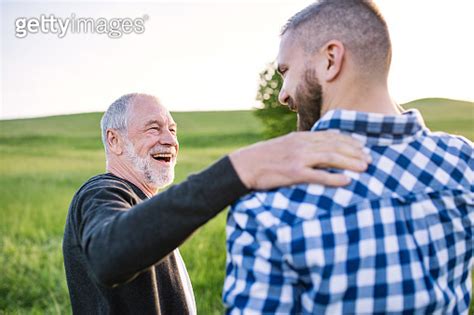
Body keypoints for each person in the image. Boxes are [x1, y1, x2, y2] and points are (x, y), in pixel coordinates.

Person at [223, 1, 473, 314]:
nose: (282, 94)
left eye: (286, 71)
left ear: (331, 59)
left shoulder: (267, 206)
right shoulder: (462, 162)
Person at [62, 93, 370, 314]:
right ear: (113, 140)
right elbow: (108, 255)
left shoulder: (141, 203)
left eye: (172, 129)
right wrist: (239, 169)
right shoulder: (101, 191)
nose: (169, 139)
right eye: (153, 128)